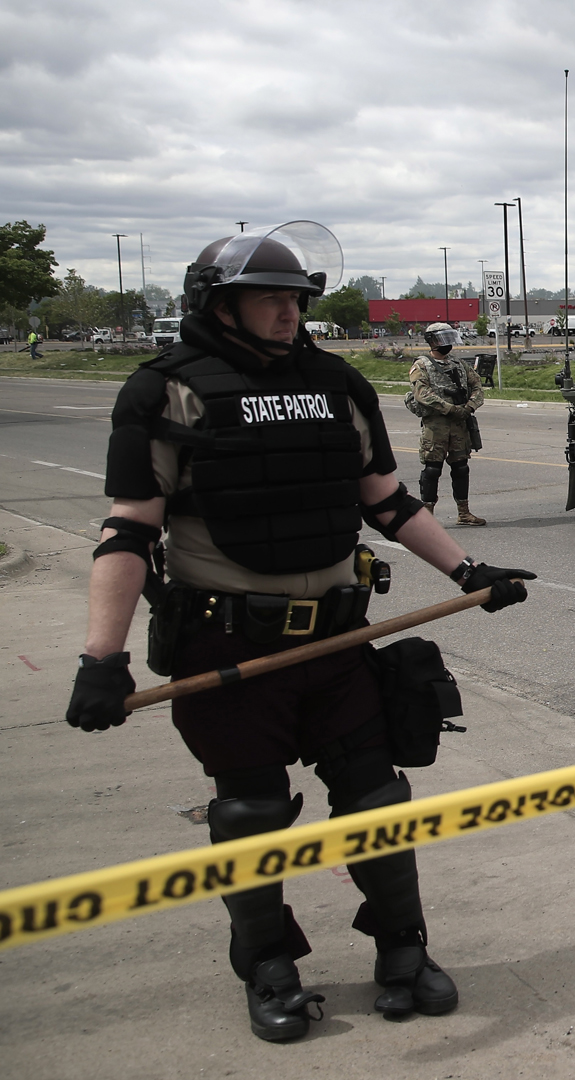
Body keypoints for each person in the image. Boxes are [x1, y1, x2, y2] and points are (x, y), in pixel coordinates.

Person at [64, 223, 536, 1043]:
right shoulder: (162, 391)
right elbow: (130, 529)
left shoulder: (336, 383)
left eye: (296, 299)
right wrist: (100, 659)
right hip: (229, 646)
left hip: (336, 641)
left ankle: (403, 951)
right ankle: (270, 966)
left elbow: (386, 500)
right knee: (249, 812)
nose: (289, 312)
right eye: (270, 299)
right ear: (218, 304)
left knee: (376, 799)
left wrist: (470, 574)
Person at [408, 322, 487, 525]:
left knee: (461, 468)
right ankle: (426, 517)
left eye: (449, 338)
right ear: (432, 341)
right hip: (436, 426)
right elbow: (422, 394)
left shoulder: (459, 365)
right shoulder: (421, 365)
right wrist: (449, 408)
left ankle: (464, 513)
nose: (447, 344)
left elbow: (477, 385)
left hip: (460, 424)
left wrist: (469, 406)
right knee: (432, 469)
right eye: (442, 339)